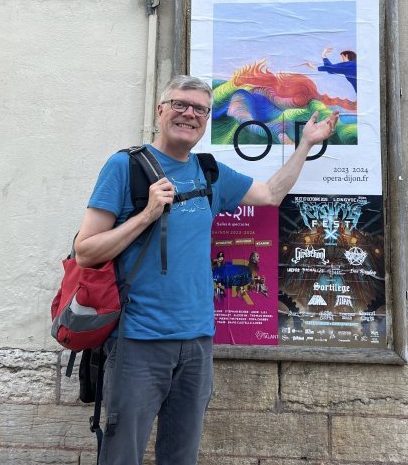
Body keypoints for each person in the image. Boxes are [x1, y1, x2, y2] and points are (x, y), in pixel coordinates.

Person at [74, 75, 338, 465]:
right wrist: (147, 214)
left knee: (181, 456)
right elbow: (85, 252)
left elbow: (270, 194)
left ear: (207, 119)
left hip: (197, 343)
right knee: (121, 455)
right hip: (138, 342)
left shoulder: (210, 173)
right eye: (180, 104)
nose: (189, 114)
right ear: (160, 110)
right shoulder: (124, 166)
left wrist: (304, 145)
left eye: (199, 108)